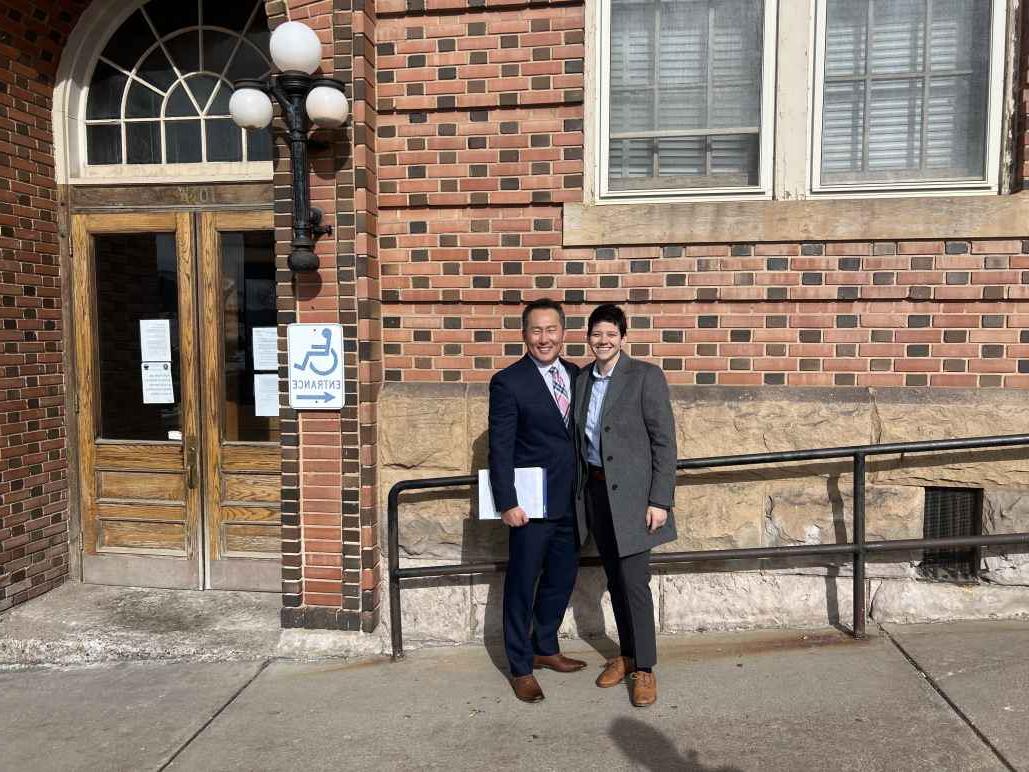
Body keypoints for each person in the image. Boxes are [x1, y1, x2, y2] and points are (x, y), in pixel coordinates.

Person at [572, 303, 677, 707]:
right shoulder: (583, 379)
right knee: (615, 581)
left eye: (611, 335)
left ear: (623, 338)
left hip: (635, 501)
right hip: (597, 495)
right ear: (589, 338)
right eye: (597, 334)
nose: (603, 341)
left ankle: (645, 669)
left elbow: (664, 442)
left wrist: (659, 499)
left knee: (634, 583)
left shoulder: (645, 376)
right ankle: (628, 654)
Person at [488, 298, 585, 702]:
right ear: (525, 335)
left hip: (572, 502)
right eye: (536, 331)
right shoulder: (508, 382)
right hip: (531, 505)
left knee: (561, 581)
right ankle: (520, 665)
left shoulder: (579, 375)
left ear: (563, 333)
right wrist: (506, 502)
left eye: (551, 330)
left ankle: (546, 647)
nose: (544, 338)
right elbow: (501, 448)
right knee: (522, 585)